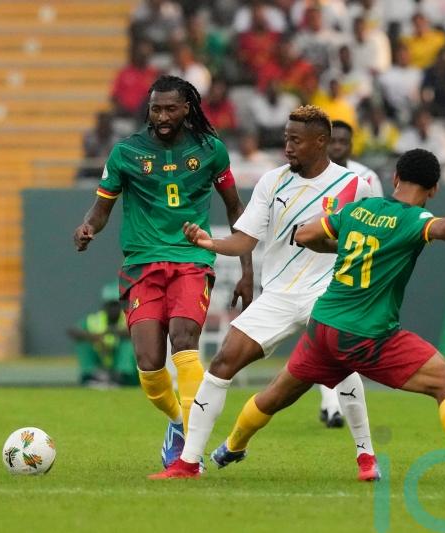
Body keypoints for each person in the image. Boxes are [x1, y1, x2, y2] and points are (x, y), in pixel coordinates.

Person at [179, 149, 445, 488]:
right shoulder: (413, 220)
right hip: (367, 335)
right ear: (434, 190)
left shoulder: (359, 211)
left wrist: (344, 242)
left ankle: (231, 446)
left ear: (396, 177)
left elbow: (304, 234)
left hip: (323, 327)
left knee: (275, 395)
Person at [150, 105, 379, 481]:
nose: (287, 147)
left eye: (296, 140)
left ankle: (366, 458)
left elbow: (369, 240)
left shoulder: (355, 186)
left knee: (339, 366)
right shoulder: (272, 182)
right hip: (278, 295)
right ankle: (189, 463)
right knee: (222, 363)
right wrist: (210, 242)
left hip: (327, 292)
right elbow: (245, 240)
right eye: (286, 138)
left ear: (321, 142)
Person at [73, 75, 254, 467]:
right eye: (156, 108)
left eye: (171, 108)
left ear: (187, 108)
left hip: (192, 259)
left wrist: (246, 268)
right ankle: (177, 421)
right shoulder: (126, 153)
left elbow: (236, 209)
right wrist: (88, 227)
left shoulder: (211, 150)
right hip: (141, 263)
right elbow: (101, 210)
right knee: (150, 364)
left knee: (184, 340)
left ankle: (190, 453)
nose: (163, 116)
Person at [68, 282, 138, 387]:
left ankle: (121, 376)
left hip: (126, 369)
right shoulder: (95, 319)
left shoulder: (128, 317)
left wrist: (111, 331)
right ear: (104, 305)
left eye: (116, 305)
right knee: (83, 343)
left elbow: (137, 332)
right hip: (102, 360)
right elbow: (72, 331)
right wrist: (93, 337)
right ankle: (91, 375)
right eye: (110, 305)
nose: (113, 309)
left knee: (128, 343)